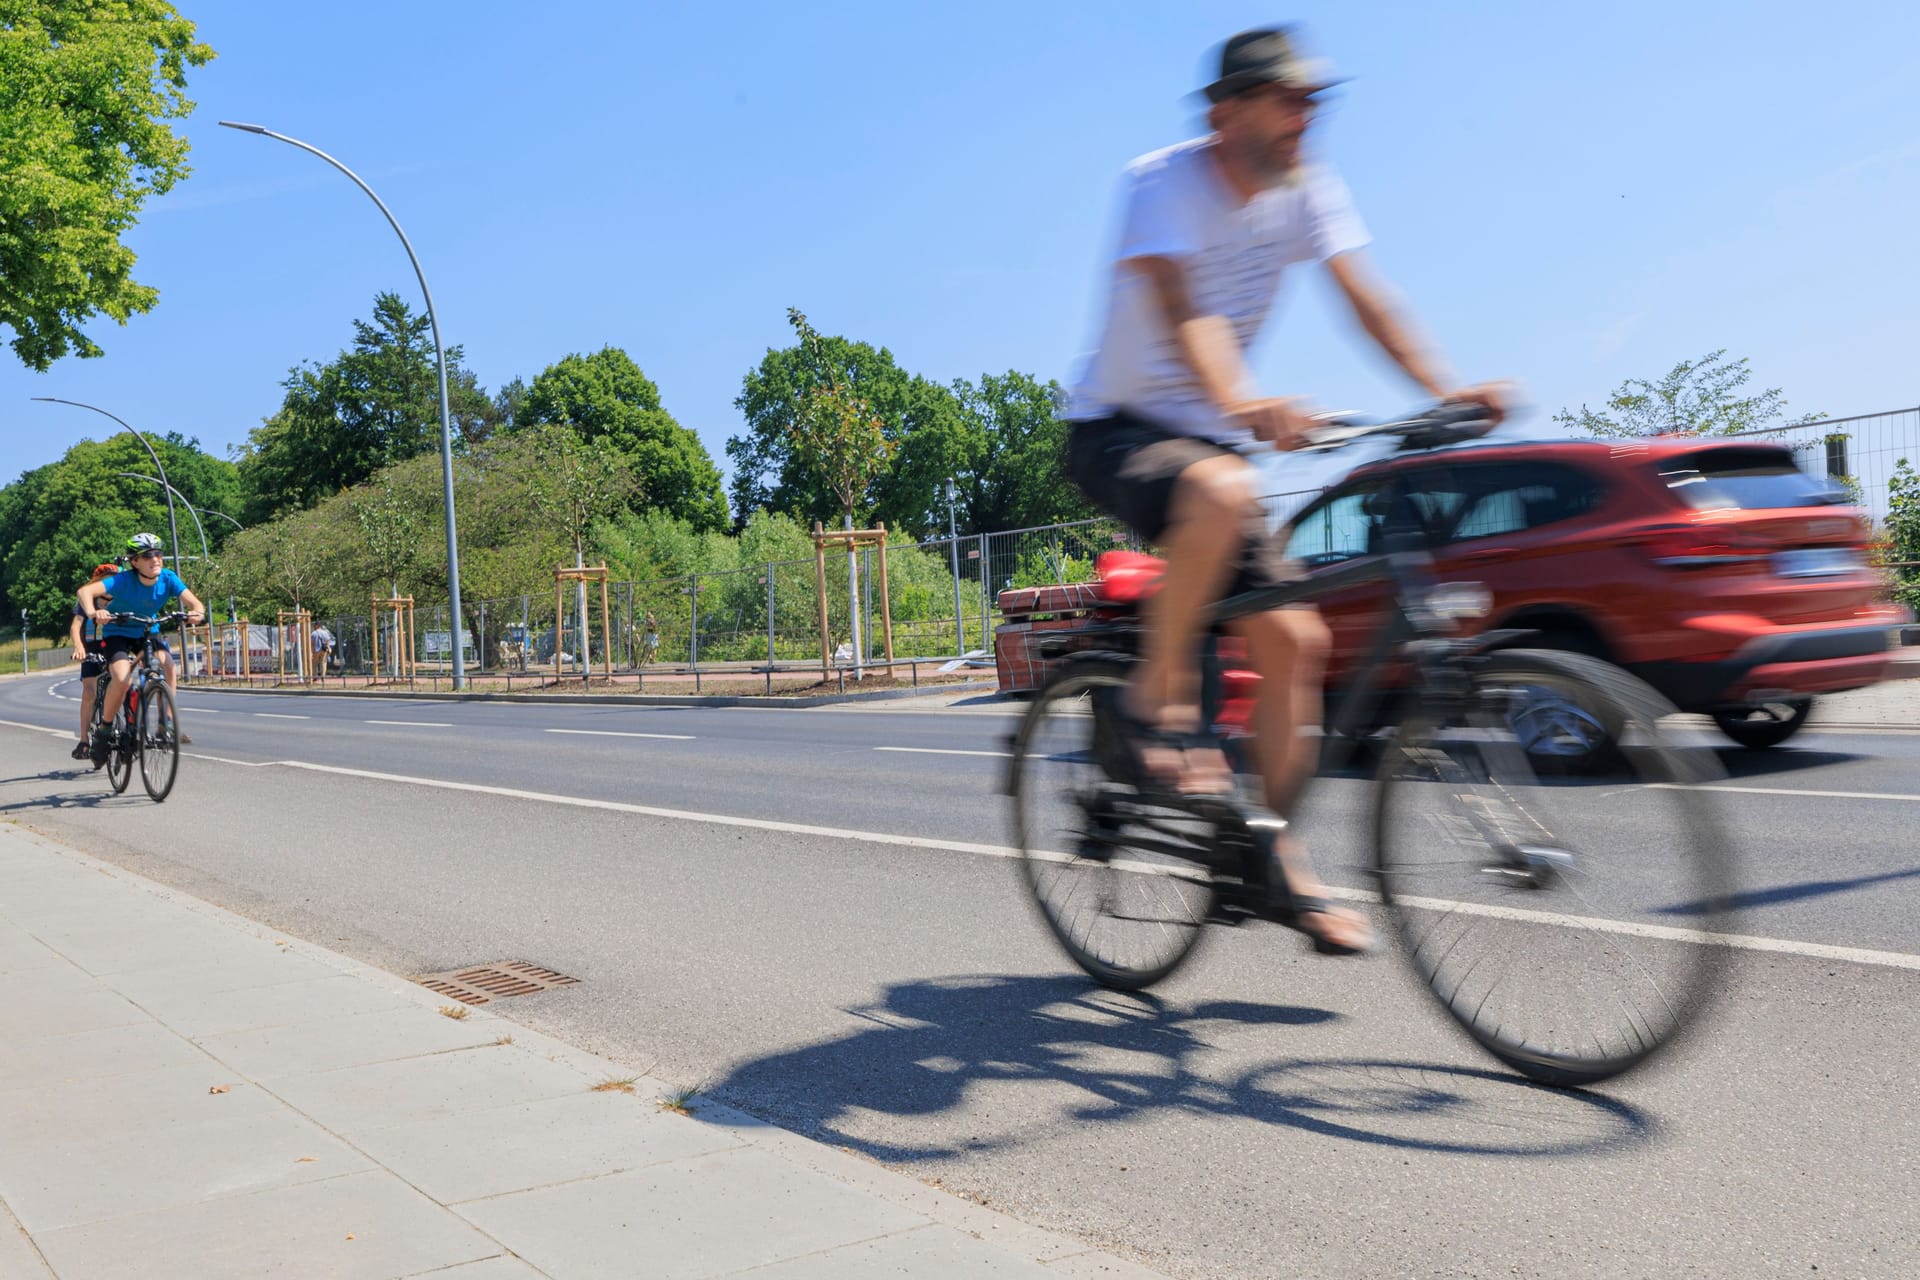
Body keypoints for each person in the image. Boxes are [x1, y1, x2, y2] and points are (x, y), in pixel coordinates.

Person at [1061, 26, 1507, 954]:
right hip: (1119, 431)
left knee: (1295, 639)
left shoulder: (1307, 190)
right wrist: (1243, 399)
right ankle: (1158, 698)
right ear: (1227, 111)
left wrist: (1447, 390)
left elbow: (1365, 295)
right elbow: (1185, 311)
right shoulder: (1163, 182)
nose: (1307, 115)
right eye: (1287, 98)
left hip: (1218, 449)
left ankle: (1272, 860)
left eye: (1314, 100)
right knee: (1222, 490)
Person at [77, 533, 206, 761]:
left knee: (168, 666)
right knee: (123, 679)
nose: (155, 559)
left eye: (158, 554)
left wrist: (197, 612)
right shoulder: (123, 580)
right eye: (147, 556)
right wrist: (93, 612)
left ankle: (165, 722)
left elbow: (195, 603)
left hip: (147, 629)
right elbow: (85, 592)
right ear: (134, 561)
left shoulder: (168, 578)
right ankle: (105, 729)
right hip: (118, 632)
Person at [65, 562, 120, 761]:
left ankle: (129, 730)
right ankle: (83, 741)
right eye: (105, 579)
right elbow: (75, 626)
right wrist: (79, 648)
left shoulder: (122, 597)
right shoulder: (87, 600)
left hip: (115, 644)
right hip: (91, 648)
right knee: (89, 692)